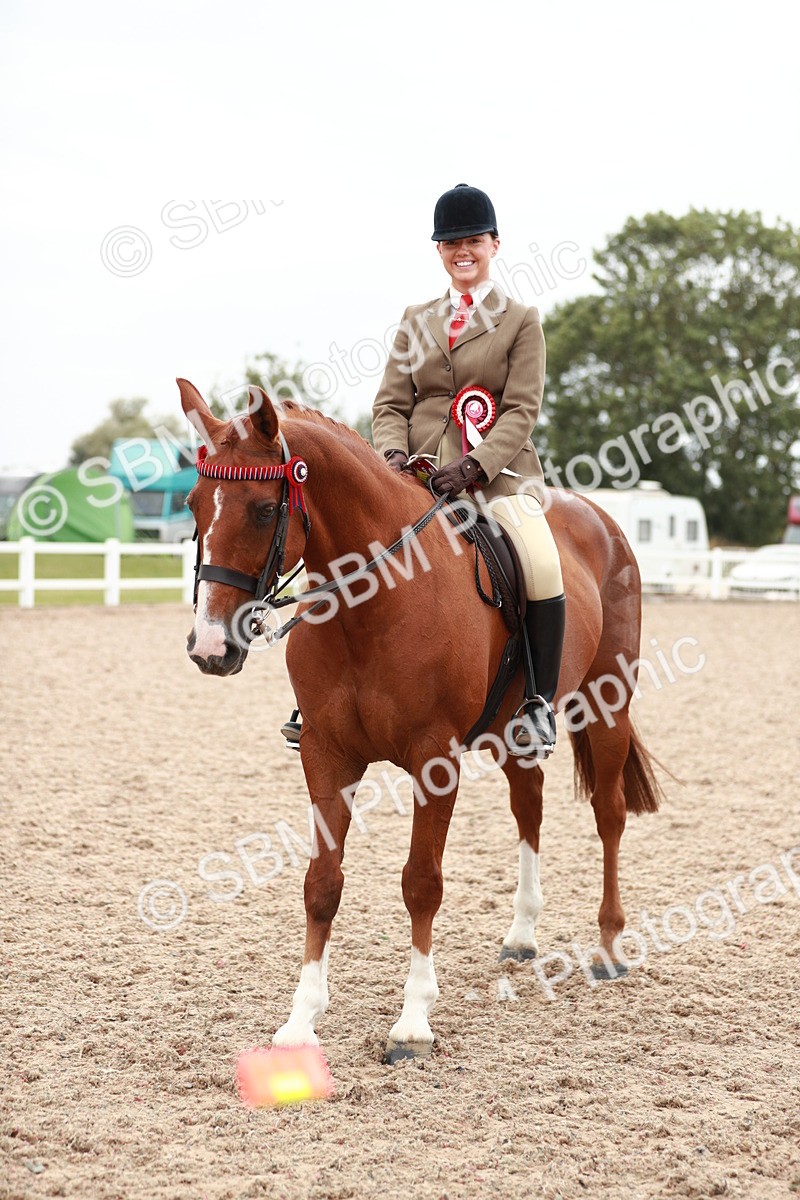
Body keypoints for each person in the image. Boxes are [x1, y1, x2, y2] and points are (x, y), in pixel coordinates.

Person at [371, 183, 566, 756]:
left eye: (473, 241)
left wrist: (475, 466)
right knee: (353, 549)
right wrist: (389, 456)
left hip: (498, 476)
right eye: (451, 242)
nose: (463, 250)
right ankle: (322, 698)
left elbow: (522, 409)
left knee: (543, 563)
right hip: (414, 474)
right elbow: (389, 405)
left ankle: (537, 704)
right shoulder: (415, 319)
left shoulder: (521, 321)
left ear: (494, 245)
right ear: (439, 251)